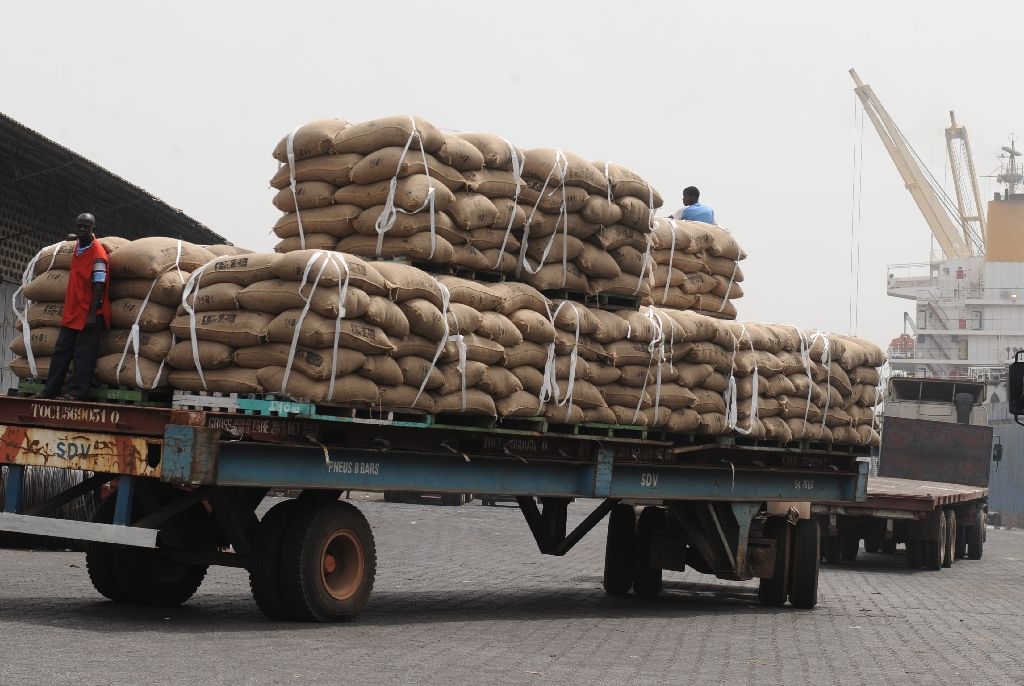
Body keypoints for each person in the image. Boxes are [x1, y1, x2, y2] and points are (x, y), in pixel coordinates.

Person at [34, 213, 112, 400]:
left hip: (90, 312)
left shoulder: (98, 255)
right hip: (73, 311)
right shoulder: (79, 245)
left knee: (82, 356)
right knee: (61, 352)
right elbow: (75, 238)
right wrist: (73, 237)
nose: (81, 229)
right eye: (79, 226)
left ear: (93, 229)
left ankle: (77, 392)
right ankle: (49, 390)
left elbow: (99, 285)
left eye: (86, 226)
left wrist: (92, 314)